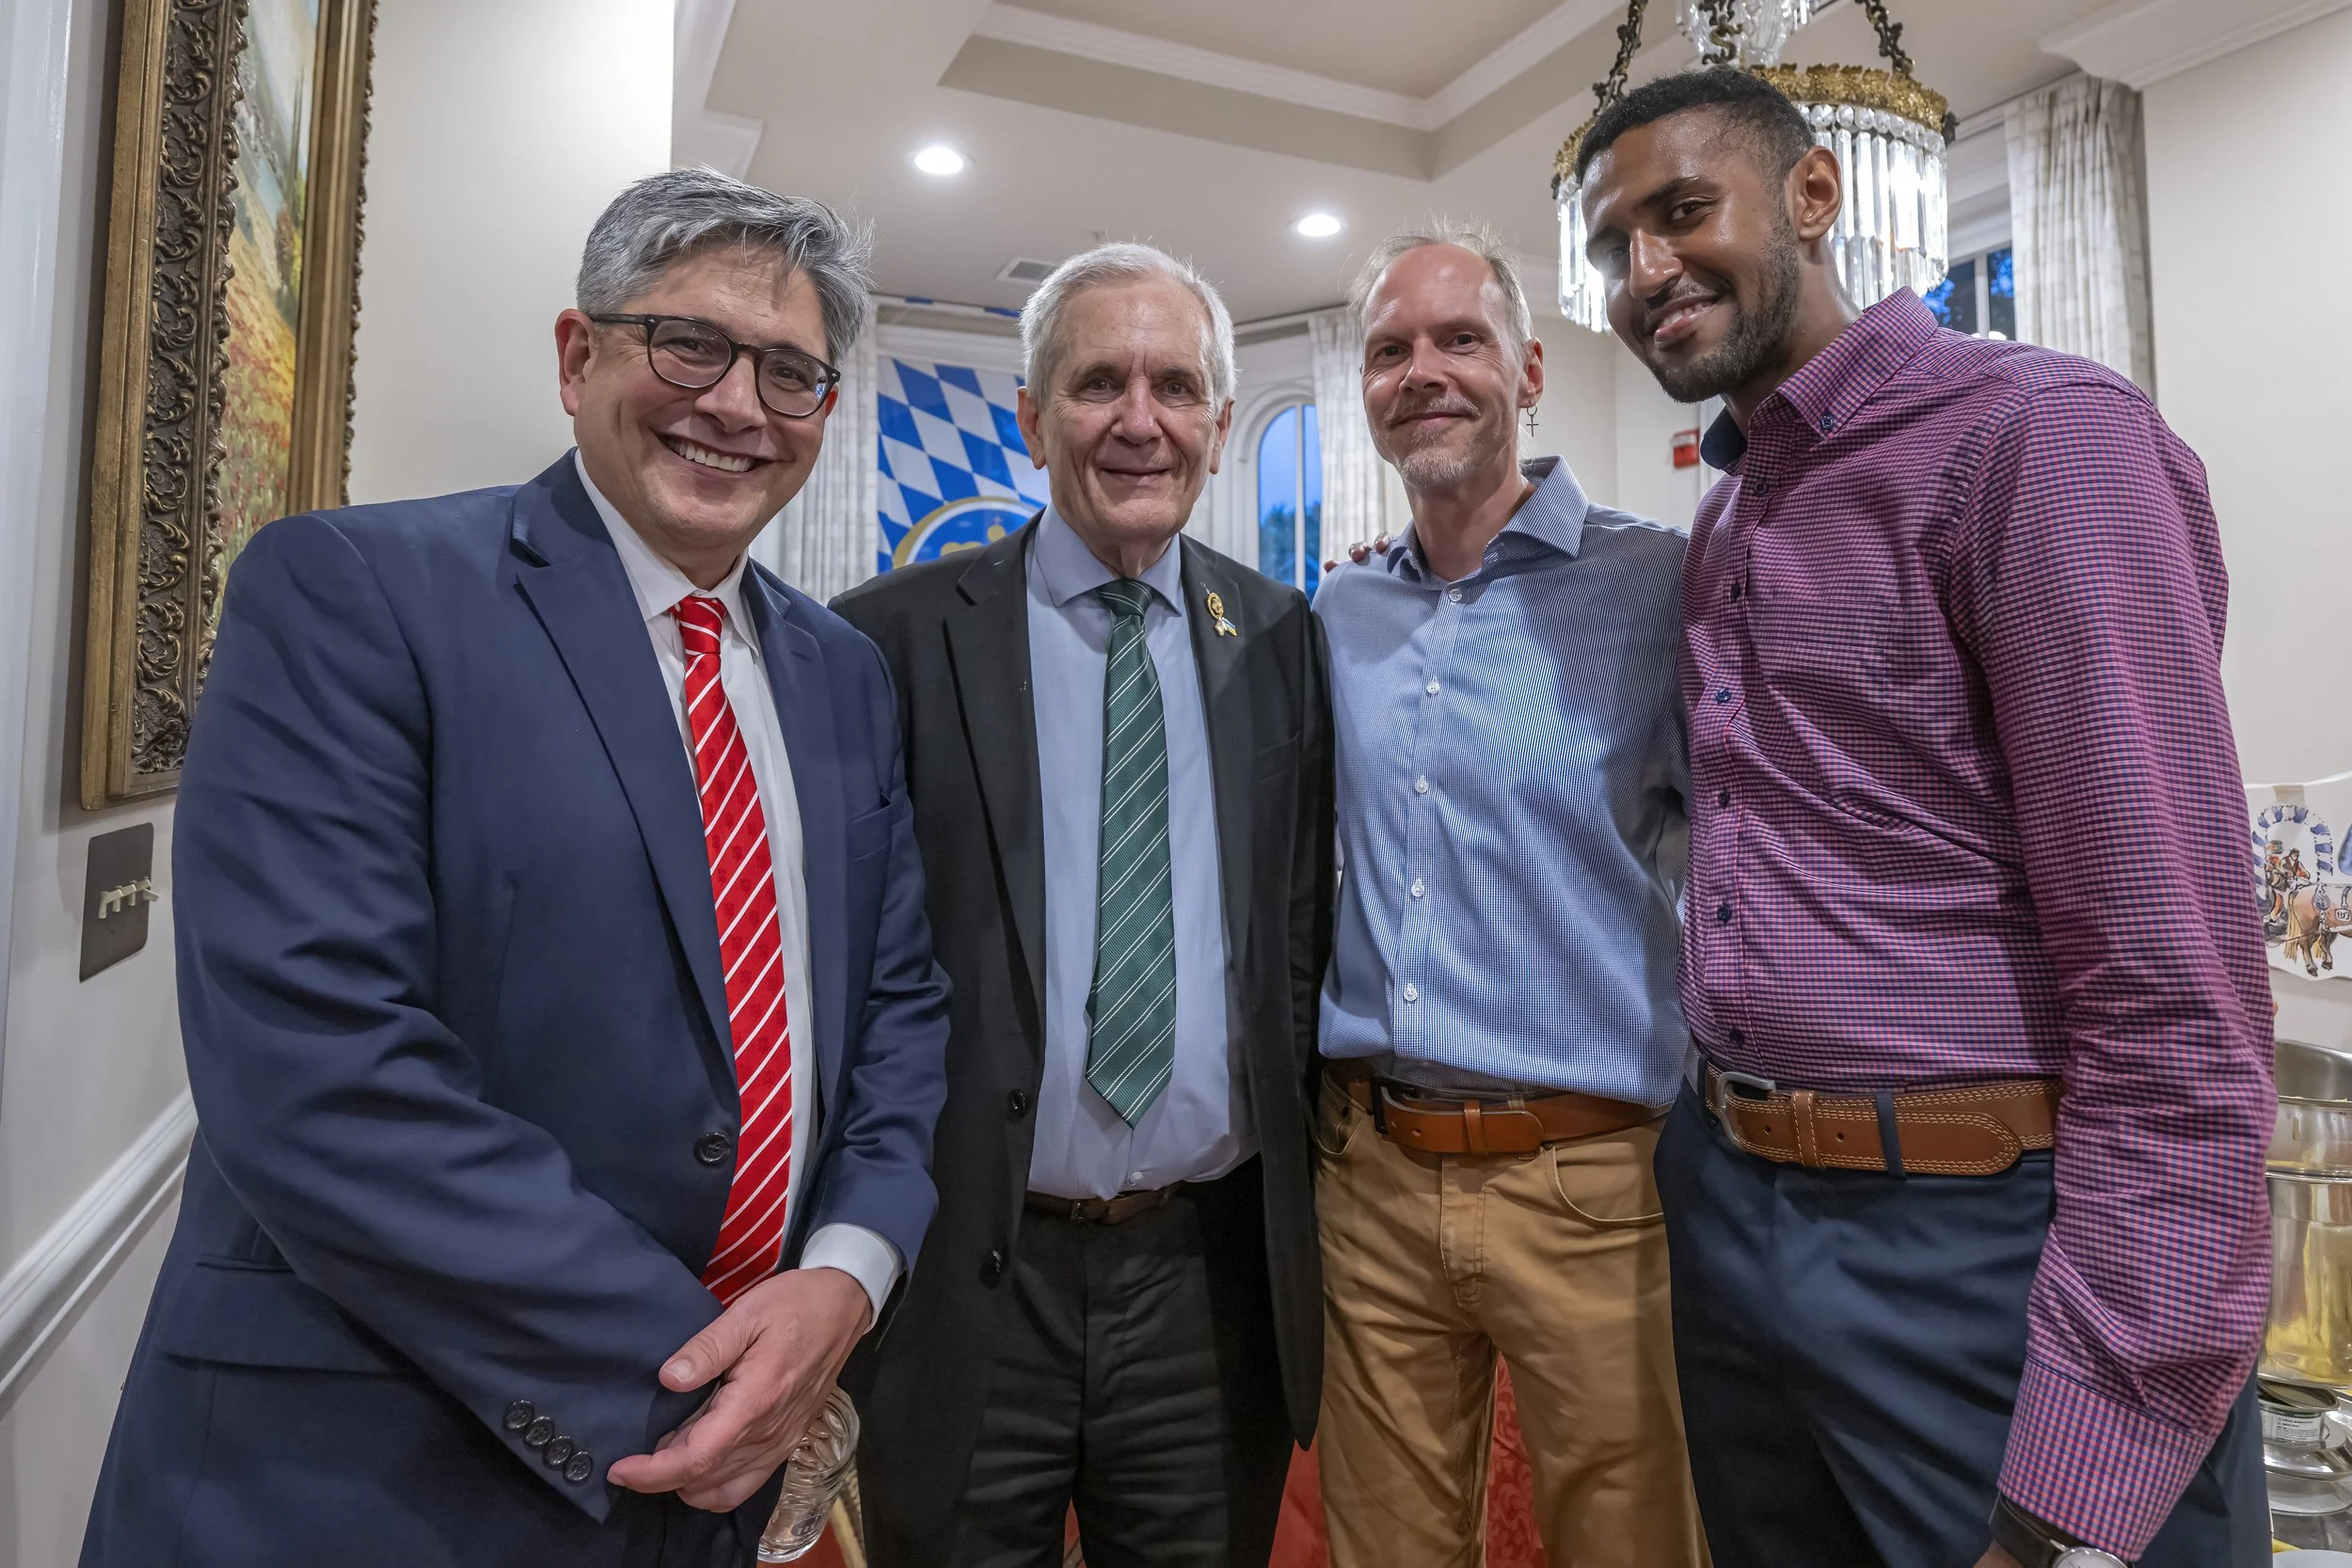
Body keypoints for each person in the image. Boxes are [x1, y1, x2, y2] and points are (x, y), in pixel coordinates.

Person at [79, 169, 951, 1568]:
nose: (738, 403)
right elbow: (320, 1070)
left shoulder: (842, 673)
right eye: (691, 344)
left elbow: (899, 1011)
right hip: (374, 1470)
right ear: (576, 354)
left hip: (719, 1474)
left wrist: (844, 1278)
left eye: (791, 373)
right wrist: (715, 1369)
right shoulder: (352, 593)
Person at [1576, 68, 2272, 1568]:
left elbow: (2175, 985)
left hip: (1986, 1243)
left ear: (1815, 197)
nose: (1645, 273)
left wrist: (2111, 1419)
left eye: (1683, 211)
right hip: (1737, 1210)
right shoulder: (1725, 518)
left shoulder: (2034, 441)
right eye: (1610, 245)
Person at [832, 242, 1331, 1567]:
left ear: (1221, 429)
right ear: (1031, 417)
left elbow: (1293, 934)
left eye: (1176, 385)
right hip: (967, 1278)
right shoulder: (886, 639)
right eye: (1100, 381)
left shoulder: (1283, 639)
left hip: (1202, 1282)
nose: (1140, 418)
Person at [1311, 223, 1707, 1568]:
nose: (1423, 373)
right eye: (1389, 350)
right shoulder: (1336, 615)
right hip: (1369, 1173)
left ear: (1528, 368)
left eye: (1458, 339)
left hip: (1592, 1180)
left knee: (1634, 1542)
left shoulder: (1661, 586)